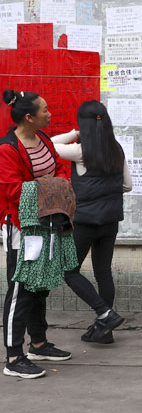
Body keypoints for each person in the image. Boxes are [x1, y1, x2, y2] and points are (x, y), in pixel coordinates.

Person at [0, 90, 72, 379]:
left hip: (45, 223)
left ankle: (39, 344)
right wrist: (53, 188)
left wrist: (54, 184)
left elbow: (60, 168)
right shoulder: (7, 149)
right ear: (29, 117)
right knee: (21, 288)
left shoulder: (43, 139)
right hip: (21, 228)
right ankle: (13, 357)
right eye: (45, 109)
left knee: (39, 286)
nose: (49, 113)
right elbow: (13, 190)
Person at [53, 100, 132, 344]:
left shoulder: (80, 151)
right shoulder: (116, 149)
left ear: (84, 125)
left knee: (69, 270)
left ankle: (105, 314)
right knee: (103, 273)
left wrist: (74, 133)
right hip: (110, 221)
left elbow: (47, 144)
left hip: (85, 222)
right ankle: (104, 331)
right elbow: (127, 185)